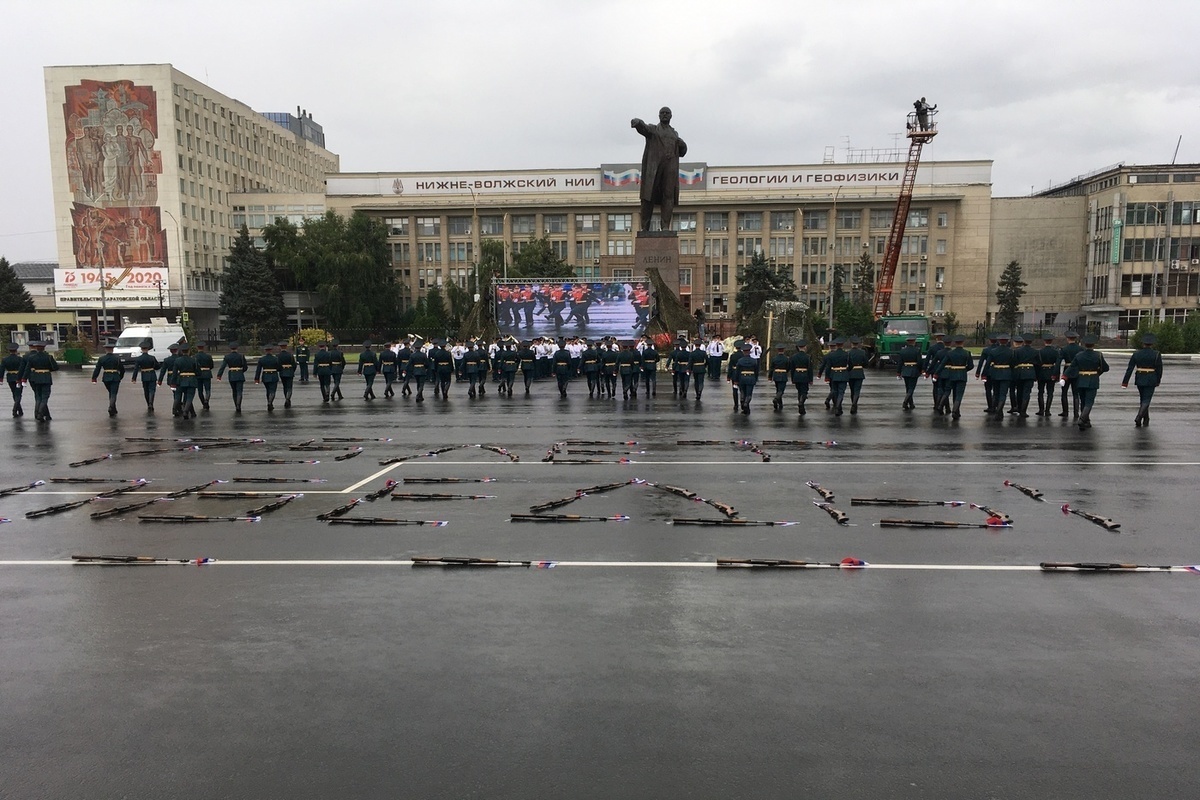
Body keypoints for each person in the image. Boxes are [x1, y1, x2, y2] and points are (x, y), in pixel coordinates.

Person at [630, 107, 688, 231]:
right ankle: (645, 228)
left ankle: (665, 227)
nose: (665, 115)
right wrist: (638, 122)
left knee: (668, 196)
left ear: (671, 116)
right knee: (648, 197)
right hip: (654, 168)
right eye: (662, 113)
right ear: (659, 116)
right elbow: (644, 128)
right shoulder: (654, 130)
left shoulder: (674, 134)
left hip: (670, 168)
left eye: (667, 113)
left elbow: (682, 152)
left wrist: (683, 145)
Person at [1063, 334, 1108, 430]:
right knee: (1089, 402)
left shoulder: (1079, 355)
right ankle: (1082, 419)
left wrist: (1064, 376)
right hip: (1092, 380)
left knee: (1083, 401)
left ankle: (1086, 421)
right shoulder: (1098, 355)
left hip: (1081, 379)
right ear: (1094, 345)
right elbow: (1105, 368)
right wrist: (1097, 373)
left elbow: (1072, 367)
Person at [1122, 332, 1163, 427]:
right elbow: (1159, 369)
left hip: (1140, 378)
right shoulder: (1156, 354)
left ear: (1142, 343)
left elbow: (1130, 369)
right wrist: (1158, 380)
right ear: (1152, 344)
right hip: (1151, 378)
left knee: (1143, 399)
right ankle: (1139, 417)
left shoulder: (1136, 354)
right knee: (1147, 399)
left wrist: (1125, 382)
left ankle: (1146, 419)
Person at [940, 335, 975, 419]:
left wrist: (937, 373)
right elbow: (971, 366)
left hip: (952, 374)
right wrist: (963, 369)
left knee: (949, 390)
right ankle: (955, 410)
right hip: (962, 374)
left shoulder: (950, 353)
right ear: (963, 342)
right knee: (959, 394)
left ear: (954, 343)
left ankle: (940, 404)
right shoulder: (967, 352)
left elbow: (942, 364)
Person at [24, 340, 58, 421]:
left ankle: (37, 412)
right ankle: (40, 413)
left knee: (38, 396)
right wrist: (48, 369)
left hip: (36, 378)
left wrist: (24, 378)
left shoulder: (32, 358)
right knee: (45, 396)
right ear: (44, 348)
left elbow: (27, 369)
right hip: (46, 377)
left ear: (36, 348)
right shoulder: (49, 357)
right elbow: (55, 367)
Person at [91, 338, 125, 415]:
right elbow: (122, 369)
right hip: (115, 377)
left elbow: (97, 369)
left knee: (111, 392)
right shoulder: (117, 358)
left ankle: (113, 408)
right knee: (113, 393)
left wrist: (94, 378)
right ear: (112, 350)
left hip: (106, 377)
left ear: (106, 350)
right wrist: (120, 377)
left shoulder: (102, 358)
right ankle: (111, 406)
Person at [819, 337, 850, 416]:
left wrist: (827, 376)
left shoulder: (831, 355)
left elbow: (828, 367)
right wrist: (847, 370)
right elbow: (851, 364)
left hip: (834, 375)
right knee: (841, 392)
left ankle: (835, 404)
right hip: (843, 374)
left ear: (836, 345)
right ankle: (838, 406)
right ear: (842, 345)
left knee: (834, 391)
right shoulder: (846, 354)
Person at [1010, 335, 1039, 417]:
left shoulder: (1017, 351)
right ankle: (1023, 411)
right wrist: (1036, 375)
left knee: (1019, 391)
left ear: (1023, 341)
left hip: (1020, 372)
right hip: (1030, 373)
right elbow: (1037, 364)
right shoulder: (1035, 351)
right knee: (1027, 393)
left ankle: (1019, 408)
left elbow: (1013, 362)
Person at [216, 341, 248, 413]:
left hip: (232, 375)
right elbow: (245, 367)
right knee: (239, 391)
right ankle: (238, 405)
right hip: (239, 374)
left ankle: (236, 405)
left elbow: (223, 367)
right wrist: (241, 371)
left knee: (234, 391)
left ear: (230, 348)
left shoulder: (227, 357)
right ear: (237, 348)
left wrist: (219, 375)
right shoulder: (241, 356)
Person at [1057, 331, 1083, 419]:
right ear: (1075, 339)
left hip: (1067, 371)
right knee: (1076, 393)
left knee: (1064, 392)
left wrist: (1056, 374)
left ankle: (1065, 411)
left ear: (1067, 339)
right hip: (1077, 372)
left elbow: (1058, 362)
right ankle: (1076, 413)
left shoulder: (1064, 349)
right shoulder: (1080, 349)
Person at [986, 334, 1013, 418]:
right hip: (1006, 373)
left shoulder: (993, 351)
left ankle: (996, 409)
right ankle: (999, 411)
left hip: (995, 373)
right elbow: (1013, 364)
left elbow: (987, 364)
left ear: (999, 341)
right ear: (1007, 341)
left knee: (996, 393)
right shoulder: (1011, 351)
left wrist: (985, 374)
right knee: (1003, 394)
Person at [171, 342, 199, 419]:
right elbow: (198, 371)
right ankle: (186, 411)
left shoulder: (177, 360)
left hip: (181, 380)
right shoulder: (193, 360)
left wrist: (173, 382)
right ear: (189, 351)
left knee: (179, 396)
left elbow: (174, 373)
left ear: (181, 351)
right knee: (189, 397)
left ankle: (175, 409)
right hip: (191, 380)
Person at [1035, 335, 1060, 417]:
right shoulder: (1055, 352)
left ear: (1044, 341)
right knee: (1050, 392)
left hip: (1042, 372)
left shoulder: (1040, 351)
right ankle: (1047, 410)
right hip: (1051, 372)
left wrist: (1036, 375)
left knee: (1040, 392)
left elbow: (1037, 364)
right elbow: (1057, 365)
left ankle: (1041, 410)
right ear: (1051, 341)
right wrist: (1056, 375)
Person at [895, 336, 923, 410]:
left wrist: (898, 372)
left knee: (907, 388)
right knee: (911, 388)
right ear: (914, 342)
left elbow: (900, 363)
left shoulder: (902, 351)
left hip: (905, 370)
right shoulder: (917, 350)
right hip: (914, 370)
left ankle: (911, 404)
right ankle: (905, 402)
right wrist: (921, 370)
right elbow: (919, 362)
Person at [132, 339, 159, 412]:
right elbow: (157, 366)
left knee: (146, 391)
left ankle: (148, 403)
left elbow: (136, 369)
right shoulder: (152, 358)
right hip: (152, 375)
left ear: (141, 349)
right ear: (148, 349)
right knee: (152, 390)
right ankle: (151, 403)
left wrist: (134, 378)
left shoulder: (139, 359)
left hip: (144, 376)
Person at [789, 340, 814, 415]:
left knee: (799, 391)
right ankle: (801, 403)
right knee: (804, 391)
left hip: (796, 375)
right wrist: (811, 379)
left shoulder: (793, 357)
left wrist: (792, 378)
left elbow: (792, 368)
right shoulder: (808, 357)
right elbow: (810, 369)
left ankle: (801, 407)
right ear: (805, 347)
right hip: (805, 375)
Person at [1, 342, 26, 417]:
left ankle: (20, 410)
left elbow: (1, 369)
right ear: (16, 350)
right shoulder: (20, 359)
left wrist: (1, 379)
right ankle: (15, 410)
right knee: (18, 394)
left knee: (14, 393)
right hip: (19, 377)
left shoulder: (5, 359)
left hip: (10, 377)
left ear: (9, 351)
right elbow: (23, 369)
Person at [846, 335, 869, 414]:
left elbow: (847, 363)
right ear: (858, 344)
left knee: (852, 390)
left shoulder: (848, 353)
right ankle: (854, 404)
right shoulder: (862, 352)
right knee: (857, 390)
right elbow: (866, 363)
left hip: (850, 373)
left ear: (851, 344)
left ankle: (853, 403)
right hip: (859, 372)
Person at [734, 343, 758, 415]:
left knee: (742, 391)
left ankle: (742, 400)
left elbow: (737, 371)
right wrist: (755, 379)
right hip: (751, 378)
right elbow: (756, 371)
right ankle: (746, 403)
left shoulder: (740, 361)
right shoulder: (754, 361)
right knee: (749, 393)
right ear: (749, 351)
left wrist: (736, 380)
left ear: (743, 352)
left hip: (742, 378)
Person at [158, 342, 181, 416]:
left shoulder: (167, 360)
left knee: (175, 393)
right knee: (179, 394)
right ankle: (176, 407)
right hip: (180, 377)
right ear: (177, 350)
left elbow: (163, 371)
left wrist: (160, 380)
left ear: (171, 351)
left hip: (171, 378)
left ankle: (178, 406)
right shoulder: (179, 359)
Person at [769, 344, 791, 411]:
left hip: (776, 375)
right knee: (781, 390)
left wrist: (770, 376)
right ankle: (776, 399)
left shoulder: (774, 358)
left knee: (778, 389)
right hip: (783, 374)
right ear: (783, 350)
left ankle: (780, 403)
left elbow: (771, 368)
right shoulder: (786, 359)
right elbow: (788, 367)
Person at [194, 341, 215, 410]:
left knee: (200, 391)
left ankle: (204, 403)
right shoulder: (208, 356)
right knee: (207, 389)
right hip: (207, 373)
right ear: (203, 347)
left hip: (198, 374)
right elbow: (211, 366)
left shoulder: (194, 357)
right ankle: (206, 400)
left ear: (197, 348)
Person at [277, 341, 297, 408]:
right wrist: (292, 370)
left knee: (285, 386)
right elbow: (294, 365)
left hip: (282, 372)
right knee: (289, 387)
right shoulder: (290, 355)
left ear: (280, 347)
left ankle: (286, 397)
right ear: (286, 347)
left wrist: (280, 370)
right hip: (290, 371)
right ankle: (288, 398)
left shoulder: (278, 356)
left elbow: (278, 365)